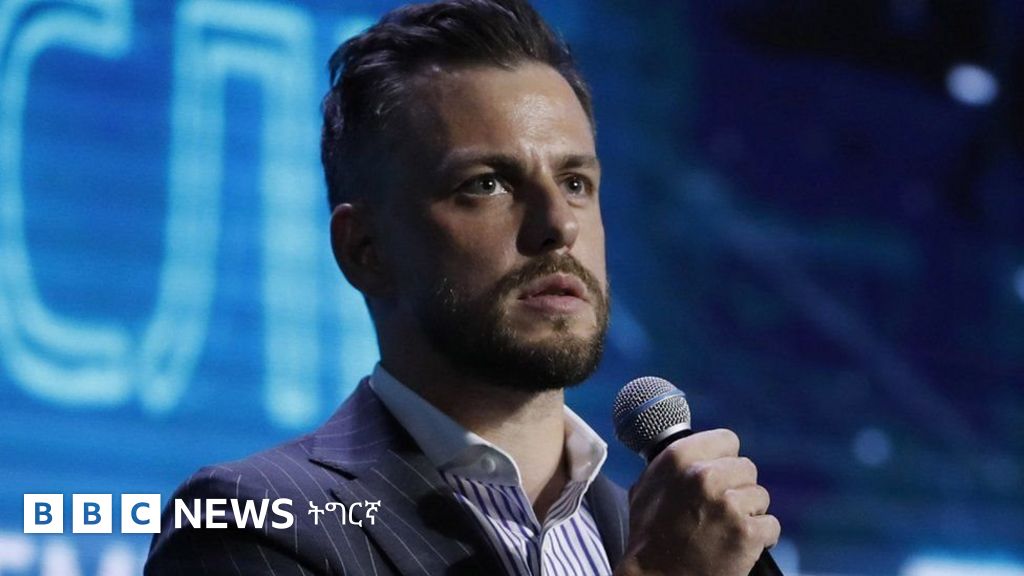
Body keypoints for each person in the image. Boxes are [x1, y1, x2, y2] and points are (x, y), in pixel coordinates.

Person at [145, 0, 780, 574]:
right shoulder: (249, 524)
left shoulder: (658, 528)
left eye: (575, 183)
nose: (559, 224)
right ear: (366, 250)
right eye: (486, 184)